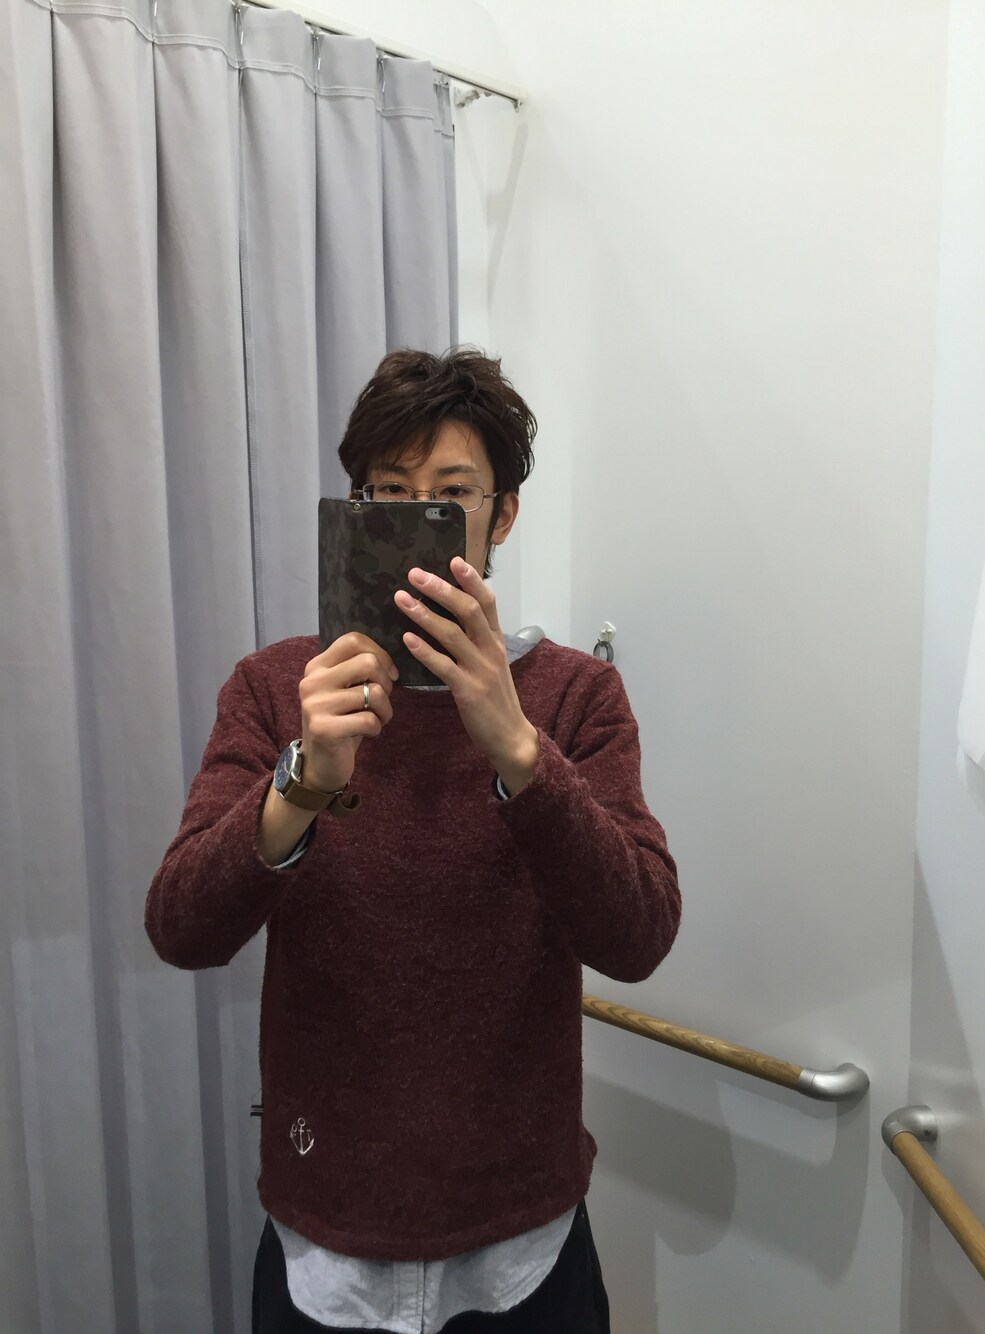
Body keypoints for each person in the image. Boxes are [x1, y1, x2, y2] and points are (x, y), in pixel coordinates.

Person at [145, 347, 681, 1334]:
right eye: (387, 493)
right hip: (324, 1235)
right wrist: (304, 779)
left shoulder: (574, 696)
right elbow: (181, 926)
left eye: (449, 494)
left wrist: (518, 748)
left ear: (502, 515)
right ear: (355, 509)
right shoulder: (278, 689)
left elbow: (639, 934)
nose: (412, 517)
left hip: (523, 1240)